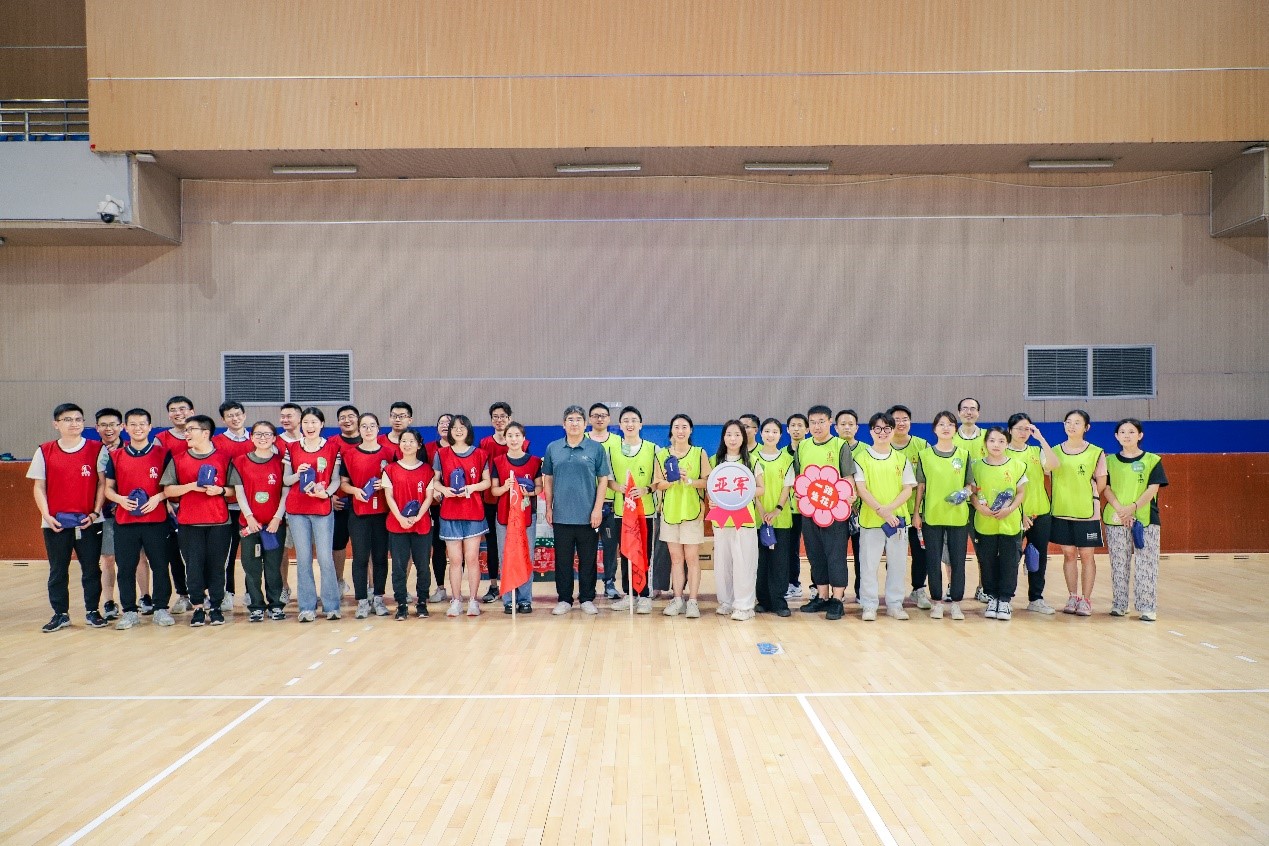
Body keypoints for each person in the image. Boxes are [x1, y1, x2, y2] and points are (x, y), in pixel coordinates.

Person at [29, 403, 109, 632]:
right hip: (55, 523)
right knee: (57, 570)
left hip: (89, 522)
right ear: (56, 424)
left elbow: (102, 484)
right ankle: (60, 614)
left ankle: (93, 611)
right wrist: (47, 515)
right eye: (67, 419)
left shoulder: (97, 449)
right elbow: (39, 487)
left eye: (78, 419)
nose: (74, 423)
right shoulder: (44, 451)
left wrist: (95, 513)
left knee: (91, 569)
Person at [161, 414, 235, 628]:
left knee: (217, 566)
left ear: (205, 433)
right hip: (189, 523)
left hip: (219, 523)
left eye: (191, 429)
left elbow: (234, 490)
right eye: (185, 430)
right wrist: (191, 486)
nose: (186, 434)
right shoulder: (179, 459)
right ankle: (198, 608)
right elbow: (168, 490)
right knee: (193, 567)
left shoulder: (224, 458)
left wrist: (220, 490)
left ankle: (216, 607)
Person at [103, 408, 173, 629]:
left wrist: (158, 497)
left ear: (150, 427)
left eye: (142, 423)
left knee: (160, 565)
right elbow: (108, 489)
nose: (138, 428)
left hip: (156, 521)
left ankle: (161, 608)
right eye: (133, 424)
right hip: (125, 522)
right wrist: (120, 499)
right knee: (125, 567)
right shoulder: (116, 456)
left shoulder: (163, 454)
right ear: (125, 427)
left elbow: (171, 486)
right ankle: (130, 611)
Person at [543, 405, 612, 616]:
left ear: (585, 424)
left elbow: (603, 480)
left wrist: (597, 509)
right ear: (563, 424)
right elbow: (548, 479)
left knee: (588, 560)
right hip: (561, 515)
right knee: (563, 560)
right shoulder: (553, 448)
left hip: (588, 516)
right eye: (570, 420)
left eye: (578, 420)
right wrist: (549, 507)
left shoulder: (596, 449)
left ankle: (587, 598)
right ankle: (564, 599)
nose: (574, 423)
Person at [282, 407, 344, 622]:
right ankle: (307, 607)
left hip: (322, 508)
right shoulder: (291, 448)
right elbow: (286, 480)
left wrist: (326, 493)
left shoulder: (332, 448)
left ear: (322, 424)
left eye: (314, 422)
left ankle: (332, 606)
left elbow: (335, 480)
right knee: (303, 559)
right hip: (297, 510)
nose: (310, 426)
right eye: (306, 422)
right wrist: (297, 475)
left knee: (325, 558)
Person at [1102, 418, 1167, 621]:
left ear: (1140, 435)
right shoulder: (1109, 461)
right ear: (1116, 436)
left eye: (1131, 432)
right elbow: (1106, 488)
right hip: (1116, 518)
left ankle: (1147, 607)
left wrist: (1132, 508)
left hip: (1145, 519)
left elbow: (1153, 488)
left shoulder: (1152, 460)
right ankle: (1119, 604)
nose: (1127, 435)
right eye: (1122, 432)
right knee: (1119, 563)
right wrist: (1121, 510)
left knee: (1147, 563)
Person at [795, 405, 857, 620]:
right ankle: (821, 596)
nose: (817, 426)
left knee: (836, 554)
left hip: (835, 512)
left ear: (830, 422)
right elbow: (799, 478)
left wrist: (850, 496)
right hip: (810, 511)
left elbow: (848, 477)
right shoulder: (803, 446)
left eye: (821, 421)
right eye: (813, 422)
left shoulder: (840, 445)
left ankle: (837, 599)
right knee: (815, 553)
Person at [853, 411, 916, 621]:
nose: (883, 432)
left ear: (892, 431)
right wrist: (880, 510)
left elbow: (908, 489)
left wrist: (889, 510)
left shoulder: (901, 458)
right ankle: (869, 605)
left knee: (897, 565)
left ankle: (895, 604)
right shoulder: (861, 458)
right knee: (868, 565)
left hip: (897, 521)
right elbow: (861, 488)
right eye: (878, 428)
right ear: (871, 431)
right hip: (871, 521)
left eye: (887, 428)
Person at [912, 411, 973, 621]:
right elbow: (921, 487)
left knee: (958, 561)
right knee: (933, 560)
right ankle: (936, 602)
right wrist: (917, 513)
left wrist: (962, 494)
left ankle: (956, 603)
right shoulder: (925, 455)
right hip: (932, 516)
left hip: (958, 517)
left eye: (950, 424)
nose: (945, 428)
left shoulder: (963, 454)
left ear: (955, 429)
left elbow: (970, 485)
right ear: (934, 429)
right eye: (941, 424)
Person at [434, 414, 492, 617]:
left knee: (472, 558)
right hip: (450, 512)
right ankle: (456, 600)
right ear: (449, 431)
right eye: (454, 427)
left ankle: (473, 600)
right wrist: (444, 490)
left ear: (469, 430)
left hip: (473, 512)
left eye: (462, 427)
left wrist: (471, 488)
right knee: (455, 559)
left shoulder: (480, 454)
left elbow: (487, 482)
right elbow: (435, 481)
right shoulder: (441, 454)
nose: (458, 430)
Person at [1051, 409, 1108, 616]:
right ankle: (1072, 596)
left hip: (1087, 513)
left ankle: (1086, 599)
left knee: (1086, 555)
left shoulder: (1096, 452)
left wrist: (1086, 497)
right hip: (1062, 511)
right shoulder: (1054, 451)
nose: (1072, 426)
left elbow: (1101, 483)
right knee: (1068, 554)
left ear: (1086, 427)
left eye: (1077, 422)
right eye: (1068, 422)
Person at [338, 412, 394, 618]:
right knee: (360, 557)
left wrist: (385, 484)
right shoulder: (350, 454)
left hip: (382, 513)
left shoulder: (389, 453)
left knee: (380, 557)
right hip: (359, 513)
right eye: (364, 426)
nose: (368, 430)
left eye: (372, 426)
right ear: (359, 429)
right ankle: (362, 600)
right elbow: (344, 483)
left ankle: (378, 598)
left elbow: (397, 480)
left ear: (378, 429)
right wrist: (355, 491)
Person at [653, 413, 709, 618]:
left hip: (692, 513)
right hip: (670, 513)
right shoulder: (662, 455)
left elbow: (707, 481)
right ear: (671, 430)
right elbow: (658, 484)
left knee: (692, 559)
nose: (680, 431)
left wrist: (689, 480)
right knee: (676, 559)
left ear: (691, 430)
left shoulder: (699, 452)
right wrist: (671, 480)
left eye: (684, 427)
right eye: (676, 427)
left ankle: (692, 601)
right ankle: (678, 599)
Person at [708, 421, 764, 621]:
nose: (733, 439)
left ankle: (744, 606)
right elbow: (709, 488)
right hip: (721, 519)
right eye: (729, 434)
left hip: (744, 519)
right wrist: (713, 500)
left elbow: (761, 489)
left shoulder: (752, 461)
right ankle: (726, 601)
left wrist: (741, 496)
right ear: (723, 437)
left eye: (737, 435)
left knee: (744, 562)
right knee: (723, 563)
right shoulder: (714, 460)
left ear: (743, 437)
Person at [232, 421, 288, 621]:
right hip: (249, 524)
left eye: (267, 434)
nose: (262, 438)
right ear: (251, 437)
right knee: (251, 566)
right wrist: (249, 517)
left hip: (274, 525)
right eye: (258, 434)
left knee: (273, 566)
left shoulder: (282, 462)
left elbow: (285, 492)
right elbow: (239, 493)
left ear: (274, 438)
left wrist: (277, 518)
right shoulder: (240, 461)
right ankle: (256, 605)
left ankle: (276, 605)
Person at [971, 427, 1028, 621]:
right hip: (984, 522)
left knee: (1009, 562)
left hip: (1009, 522)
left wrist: (1010, 509)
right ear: (985, 443)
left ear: (1007, 443)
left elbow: (1021, 492)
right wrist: (979, 507)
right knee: (986, 561)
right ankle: (992, 597)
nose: (996, 445)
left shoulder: (1017, 465)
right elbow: (972, 493)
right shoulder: (976, 466)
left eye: (1001, 441)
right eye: (992, 440)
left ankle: (1004, 600)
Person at [1006, 413, 1060, 614]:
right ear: (1010, 430)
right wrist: (1019, 512)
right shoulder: (1003, 453)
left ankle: (1036, 599)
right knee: (1010, 557)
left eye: (1027, 428)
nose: (1023, 432)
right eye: (1019, 428)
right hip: (1014, 514)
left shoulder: (1037, 451)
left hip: (1041, 513)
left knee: (1038, 557)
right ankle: (1005, 598)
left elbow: (1054, 465)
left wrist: (1041, 438)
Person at [607, 406, 658, 614]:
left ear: (641, 424)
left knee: (644, 553)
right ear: (620, 425)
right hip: (622, 511)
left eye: (634, 420)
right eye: (626, 420)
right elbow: (607, 480)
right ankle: (629, 594)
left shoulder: (653, 449)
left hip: (645, 511)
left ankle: (644, 595)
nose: (630, 424)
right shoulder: (612, 450)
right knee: (626, 552)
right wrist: (618, 487)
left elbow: (658, 481)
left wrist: (646, 489)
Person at [382, 428, 436, 620]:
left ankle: (422, 603)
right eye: (404, 441)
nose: (407, 444)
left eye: (411, 441)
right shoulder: (390, 469)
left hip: (422, 525)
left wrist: (418, 517)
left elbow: (429, 497)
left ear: (419, 445)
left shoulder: (427, 470)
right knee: (398, 566)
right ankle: (401, 605)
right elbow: (389, 496)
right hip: (397, 525)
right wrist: (400, 518)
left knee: (423, 566)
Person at [490, 422, 543, 613]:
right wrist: (505, 487)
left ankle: (525, 599)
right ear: (505, 439)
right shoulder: (498, 461)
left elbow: (539, 487)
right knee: (506, 557)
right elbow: (494, 491)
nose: (513, 439)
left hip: (526, 516)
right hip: (504, 517)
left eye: (517, 435)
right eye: (510, 436)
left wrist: (529, 492)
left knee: (526, 556)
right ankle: (508, 599)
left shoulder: (534, 462)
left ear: (524, 438)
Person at [479, 401, 528, 603]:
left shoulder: (523, 443)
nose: (499, 420)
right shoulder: (484, 443)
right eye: (495, 417)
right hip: (492, 500)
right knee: (493, 544)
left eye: (503, 416)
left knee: (517, 543)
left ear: (510, 418)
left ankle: (519, 588)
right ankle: (494, 586)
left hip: (516, 502)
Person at [889, 404, 931, 610]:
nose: (901, 423)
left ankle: (918, 589)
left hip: (917, 511)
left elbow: (926, 480)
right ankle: (893, 590)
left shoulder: (922, 445)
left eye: (904, 419)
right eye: (896, 419)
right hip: (892, 512)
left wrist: (919, 511)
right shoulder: (882, 446)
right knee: (893, 554)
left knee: (920, 552)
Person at [213, 400, 253, 614]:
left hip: (252, 509)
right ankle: (226, 593)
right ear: (223, 419)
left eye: (238, 414)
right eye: (230, 415)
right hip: (226, 507)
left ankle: (251, 592)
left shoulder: (256, 439)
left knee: (251, 553)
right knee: (226, 554)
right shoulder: (216, 442)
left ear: (244, 415)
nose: (235, 418)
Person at [753, 418, 795, 616]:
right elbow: (752, 488)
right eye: (767, 431)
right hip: (756, 519)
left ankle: (779, 601)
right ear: (761, 434)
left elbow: (786, 488)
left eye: (775, 432)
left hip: (781, 519)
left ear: (781, 435)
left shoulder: (787, 459)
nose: (770, 435)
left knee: (779, 561)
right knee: (760, 561)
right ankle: (762, 600)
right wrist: (761, 511)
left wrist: (776, 510)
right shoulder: (752, 458)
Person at [156, 395, 194, 613]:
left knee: (200, 552)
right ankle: (183, 595)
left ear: (191, 411)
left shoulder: (203, 434)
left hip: (199, 504)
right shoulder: (160, 439)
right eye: (173, 410)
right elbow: (156, 473)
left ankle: (205, 594)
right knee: (175, 554)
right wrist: (165, 499)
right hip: (173, 504)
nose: (178, 413)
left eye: (182, 408)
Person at [953, 397, 989, 603]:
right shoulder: (950, 437)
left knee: (983, 549)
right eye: (965, 409)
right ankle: (953, 587)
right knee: (953, 550)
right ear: (959, 413)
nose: (968, 412)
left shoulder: (988, 437)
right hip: (957, 502)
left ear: (978, 413)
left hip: (983, 503)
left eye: (972, 409)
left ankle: (984, 587)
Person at [587, 403, 623, 600]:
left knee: (610, 546)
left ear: (609, 419)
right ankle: (588, 585)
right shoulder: (582, 439)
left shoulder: (619, 441)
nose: (599, 419)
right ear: (589, 419)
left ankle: (610, 582)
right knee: (587, 548)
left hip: (611, 503)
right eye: (595, 416)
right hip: (587, 503)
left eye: (603, 415)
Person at [93, 407, 125, 621]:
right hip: (103, 514)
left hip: (130, 511)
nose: (109, 429)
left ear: (121, 426)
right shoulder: (92, 451)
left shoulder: (131, 448)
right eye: (104, 425)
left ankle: (143, 598)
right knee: (107, 558)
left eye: (113, 424)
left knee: (139, 558)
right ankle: (109, 601)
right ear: (97, 428)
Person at [835, 408, 866, 600]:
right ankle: (838, 592)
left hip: (861, 511)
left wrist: (857, 498)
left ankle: (861, 591)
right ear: (836, 427)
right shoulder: (832, 447)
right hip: (835, 511)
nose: (847, 427)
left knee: (861, 554)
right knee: (836, 553)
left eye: (850, 424)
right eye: (843, 424)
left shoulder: (866, 450)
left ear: (857, 427)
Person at [332, 404, 362, 597]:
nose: (347, 420)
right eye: (342, 417)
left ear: (358, 419)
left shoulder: (370, 441)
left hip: (365, 504)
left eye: (351, 416)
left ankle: (368, 587)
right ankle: (338, 582)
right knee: (338, 545)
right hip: (339, 503)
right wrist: (330, 496)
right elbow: (323, 472)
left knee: (364, 547)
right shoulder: (331, 444)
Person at [276, 401, 303, 604]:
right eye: (282, 416)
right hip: (282, 503)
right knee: (283, 549)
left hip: (309, 504)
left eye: (289, 416)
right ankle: (284, 587)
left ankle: (307, 588)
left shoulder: (310, 441)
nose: (285, 419)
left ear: (300, 418)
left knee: (309, 549)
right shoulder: (275, 442)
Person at [424, 413, 453, 603]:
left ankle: (457, 590)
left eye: (448, 423)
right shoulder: (428, 449)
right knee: (438, 546)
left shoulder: (462, 449)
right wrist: (433, 490)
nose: (444, 425)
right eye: (441, 423)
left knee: (458, 548)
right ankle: (441, 587)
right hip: (435, 505)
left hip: (457, 504)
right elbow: (423, 473)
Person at [782, 412, 809, 599]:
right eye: (793, 425)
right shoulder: (782, 454)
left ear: (807, 429)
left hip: (812, 508)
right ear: (787, 429)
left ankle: (816, 587)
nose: (796, 429)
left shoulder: (811, 451)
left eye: (800, 426)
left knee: (813, 548)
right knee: (790, 548)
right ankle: (792, 583)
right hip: (789, 509)